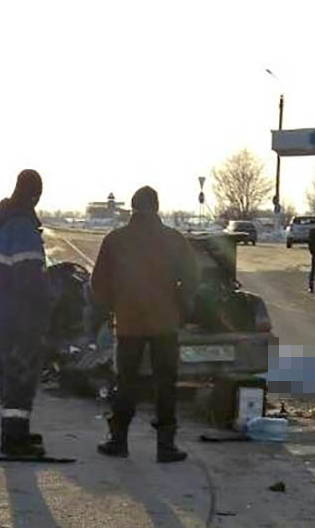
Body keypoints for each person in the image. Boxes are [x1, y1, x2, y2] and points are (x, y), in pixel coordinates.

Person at [92, 186, 199, 463]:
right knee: (166, 383)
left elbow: (99, 283)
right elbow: (192, 278)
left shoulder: (116, 240)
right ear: (157, 207)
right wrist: (181, 308)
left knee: (127, 382)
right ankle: (166, 446)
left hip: (129, 323)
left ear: (132, 207)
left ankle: (118, 440)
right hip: (165, 323)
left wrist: (112, 309)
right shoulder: (173, 239)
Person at [0, 169, 51, 458]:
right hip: (20, 314)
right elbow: (29, 278)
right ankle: (14, 441)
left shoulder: (3, 221)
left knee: (10, 374)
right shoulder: (22, 226)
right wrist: (47, 304)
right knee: (21, 375)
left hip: (0, 310)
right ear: (34, 194)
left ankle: (15, 430)